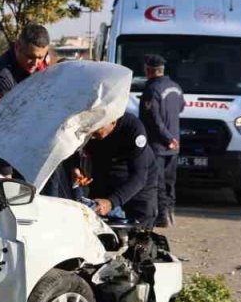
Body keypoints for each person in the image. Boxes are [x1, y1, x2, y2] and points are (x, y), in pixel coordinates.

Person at [73, 112, 160, 228]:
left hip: (136, 176)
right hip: (103, 170)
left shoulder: (132, 128)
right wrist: (76, 169)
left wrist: (111, 202)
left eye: (97, 131)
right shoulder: (86, 127)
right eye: (90, 132)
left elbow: (139, 177)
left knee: (141, 225)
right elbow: (73, 152)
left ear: (113, 121)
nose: (92, 137)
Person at [138, 54, 183, 227]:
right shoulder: (176, 87)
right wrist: (172, 138)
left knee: (158, 181)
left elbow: (154, 119)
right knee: (170, 180)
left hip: (158, 143)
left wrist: (166, 137)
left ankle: (162, 215)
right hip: (174, 143)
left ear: (149, 70)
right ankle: (170, 211)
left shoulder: (152, 89)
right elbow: (181, 107)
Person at [0, 24, 51, 106]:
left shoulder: (43, 59)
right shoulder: (3, 77)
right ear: (17, 47)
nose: (35, 63)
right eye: (30, 57)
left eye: (40, 57)